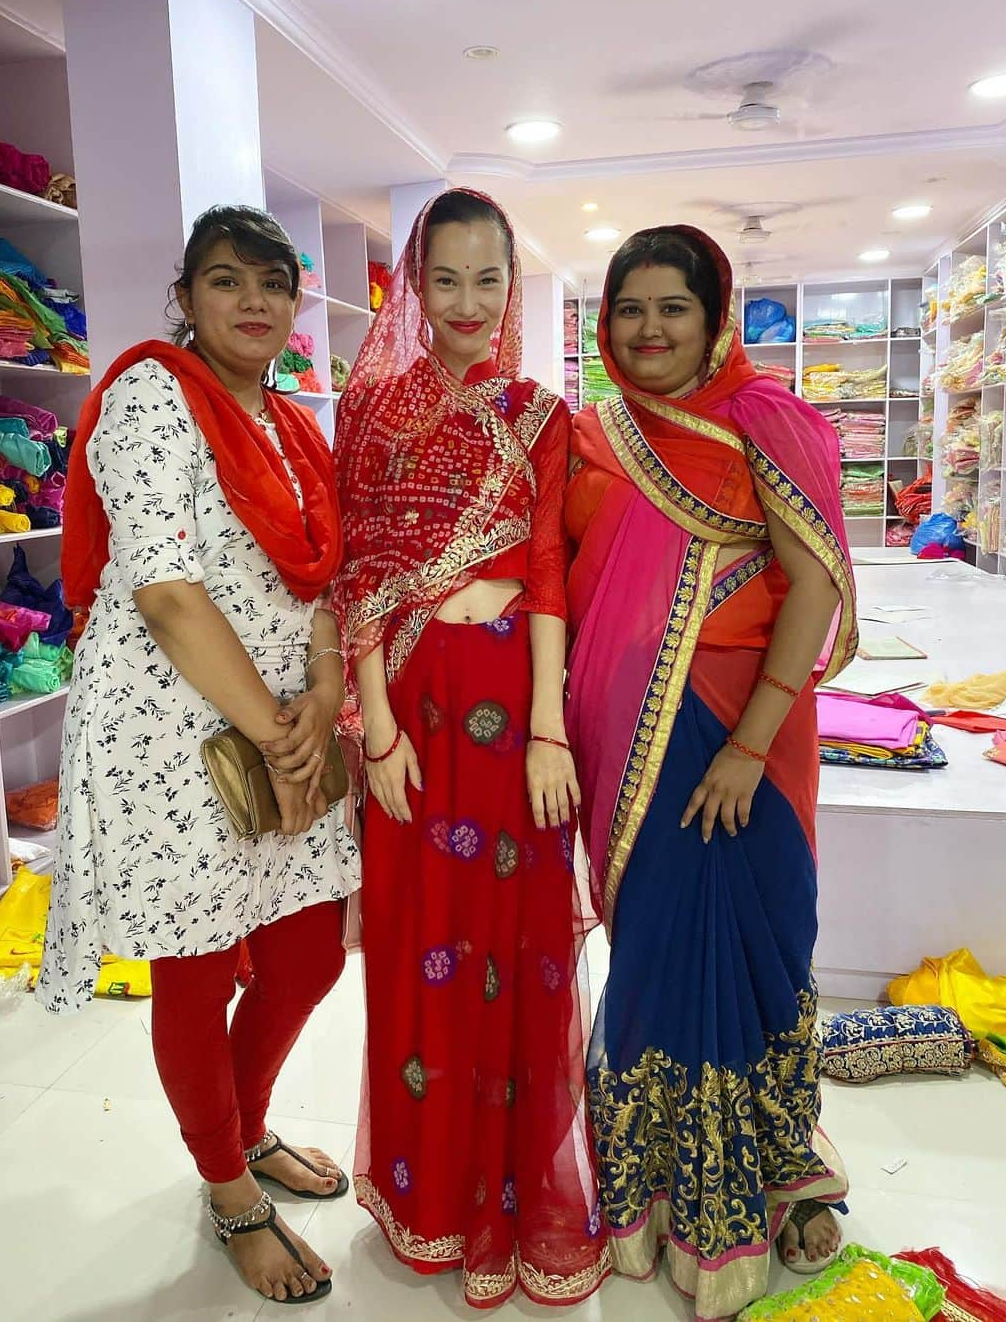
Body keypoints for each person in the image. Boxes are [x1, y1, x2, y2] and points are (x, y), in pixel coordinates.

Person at [37, 206, 360, 1306]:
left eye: (274, 281)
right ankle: (229, 1189)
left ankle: (249, 1127)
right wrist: (278, 733)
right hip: (171, 731)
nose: (255, 300)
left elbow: (322, 580)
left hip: (284, 720)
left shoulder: (293, 424)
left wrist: (320, 695)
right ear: (187, 295)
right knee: (196, 964)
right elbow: (167, 591)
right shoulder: (149, 397)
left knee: (310, 952)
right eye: (228, 280)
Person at [564, 225, 855, 1320]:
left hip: (745, 737)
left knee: (763, 950)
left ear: (713, 315)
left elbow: (814, 587)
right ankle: (645, 1197)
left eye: (671, 308)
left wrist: (744, 746)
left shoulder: (765, 421)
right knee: (653, 954)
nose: (647, 329)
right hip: (620, 731)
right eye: (629, 307)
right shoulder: (592, 436)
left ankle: (776, 1182)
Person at [331, 188, 609, 1308]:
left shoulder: (541, 414)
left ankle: (508, 1196)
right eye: (442, 279)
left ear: (510, 284)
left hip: (507, 706)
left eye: (486, 280)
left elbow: (546, 574)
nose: (464, 302)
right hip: (409, 710)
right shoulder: (373, 410)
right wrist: (378, 731)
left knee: (517, 948)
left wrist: (549, 730)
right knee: (416, 946)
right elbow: (355, 575)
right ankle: (430, 1200)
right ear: (412, 282)